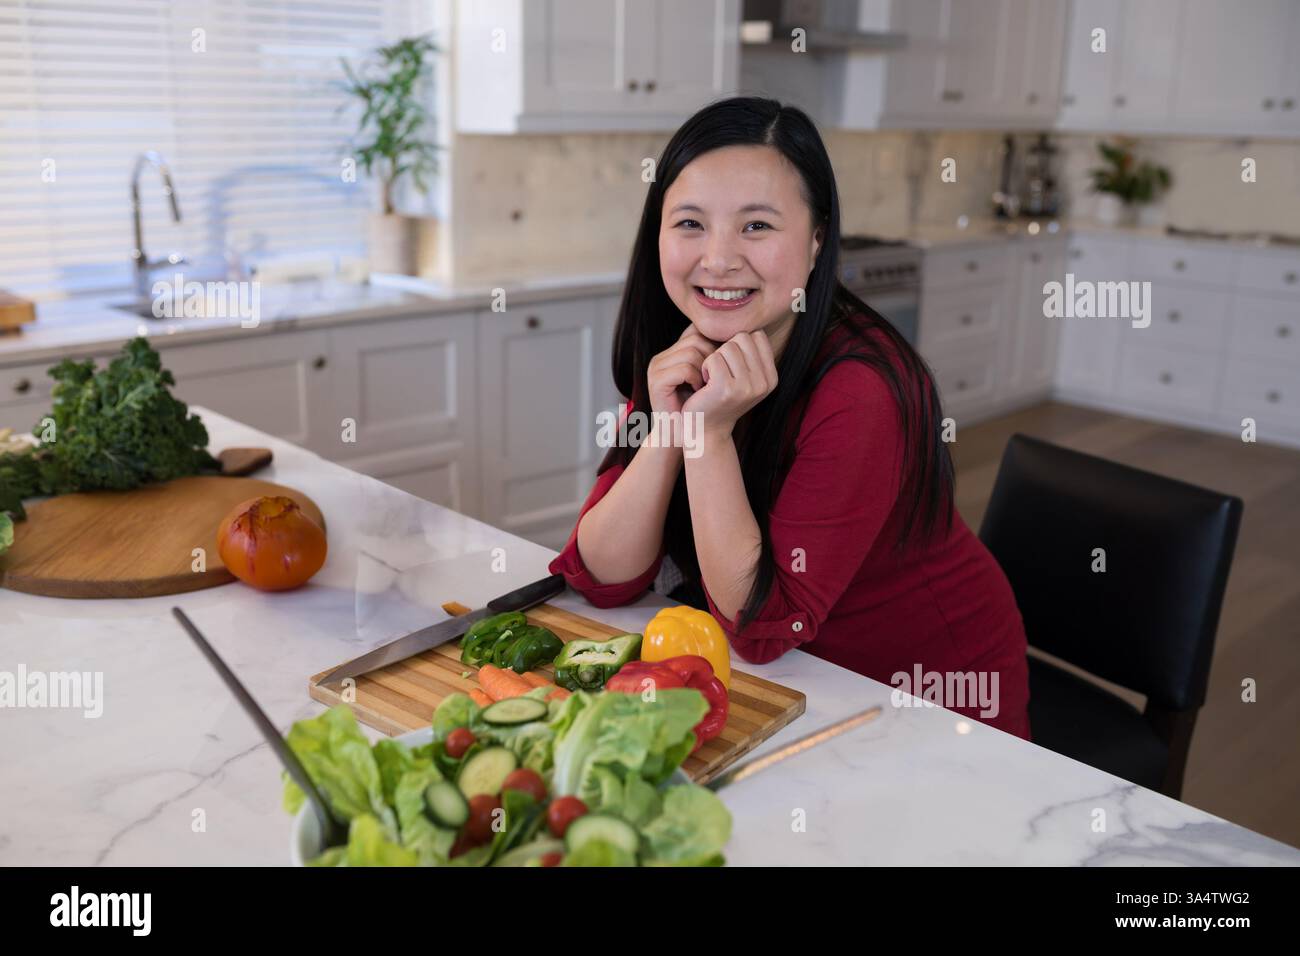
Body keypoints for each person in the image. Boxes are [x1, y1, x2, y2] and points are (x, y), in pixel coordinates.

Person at [548, 97, 1030, 739]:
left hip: (923, 699)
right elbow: (603, 574)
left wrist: (711, 433)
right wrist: (673, 427)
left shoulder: (861, 387)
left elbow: (762, 626)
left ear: (817, 240)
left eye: (756, 227)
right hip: (791, 689)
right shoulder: (682, 347)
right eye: (689, 223)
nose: (717, 258)